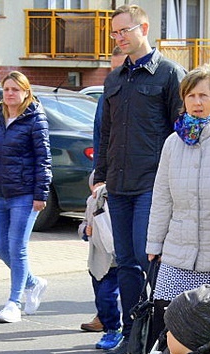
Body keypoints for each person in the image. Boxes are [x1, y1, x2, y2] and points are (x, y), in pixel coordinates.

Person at [93, 4, 185, 354]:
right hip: (118, 184)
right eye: (114, 33)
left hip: (153, 183)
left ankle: (167, 334)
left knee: (152, 261)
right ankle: (132, 336)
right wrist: (99, 175)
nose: (119, 38)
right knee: (126, 263)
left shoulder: (169, 74)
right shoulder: (114, 78)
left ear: (143, 28)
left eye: (124, 31)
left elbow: (181, 132)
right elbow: (107, 132)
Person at [146, 64, 210, 349]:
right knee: (170, 323)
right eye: (190, 96)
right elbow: (162, 196)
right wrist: (154, 242)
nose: (196, 102)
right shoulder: (172, 142)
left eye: (204, 95)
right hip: (178, 251)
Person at [0, 71, 51, 323]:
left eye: (15, 90)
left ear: (25, 92)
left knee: (17, 247)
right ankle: (33, 282)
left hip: (25, 193)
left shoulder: (35, 118)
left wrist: (41, 193)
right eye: (6, 89)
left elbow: (43, 158)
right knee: (0, 247)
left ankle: (14, 302)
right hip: (0, 193)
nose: (10, 94)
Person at [81, 45, 128, 334]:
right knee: (102, 252)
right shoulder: (108, 92)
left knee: (124, 259)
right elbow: (102, 135)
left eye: (120, 66)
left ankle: (123, 320)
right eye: (111, 67)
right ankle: (106, 314)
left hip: (134, 182)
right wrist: (99, 175)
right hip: (107, 180)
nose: (115, 72)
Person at [79, 173, 121, 350]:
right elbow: (83, 223)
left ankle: (114, 329)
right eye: (95, 186)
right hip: (97, 259)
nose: (98, 189)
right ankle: (106, 324)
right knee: (100, 297)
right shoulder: (91, 202)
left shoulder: (118, 202)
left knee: (107, 295)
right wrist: (84, 231)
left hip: (116, 260)